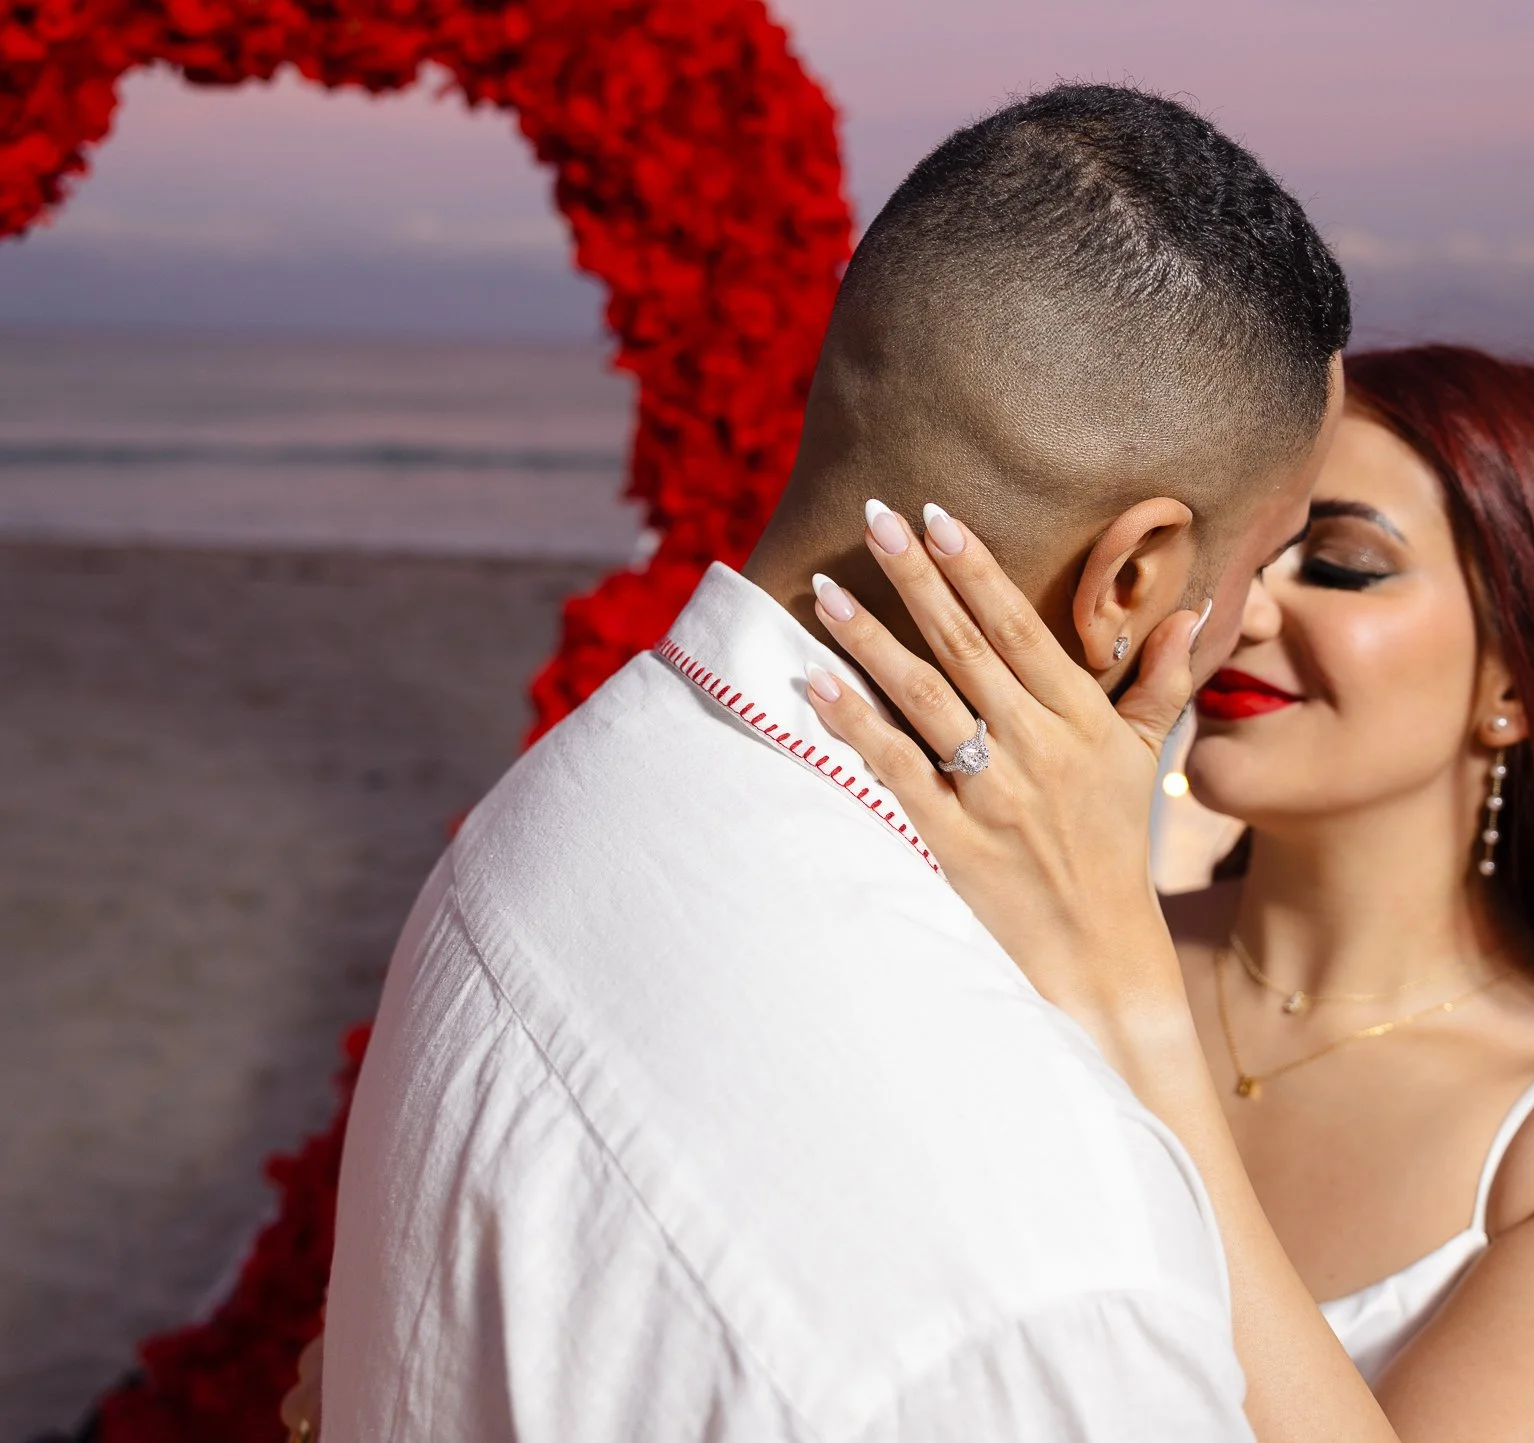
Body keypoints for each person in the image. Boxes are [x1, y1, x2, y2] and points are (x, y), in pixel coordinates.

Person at [317, 84, 1349, 1442]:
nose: (1250, 620)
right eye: (1256, 559)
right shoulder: (1046, 1279)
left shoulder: (578, 797)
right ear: (1134, 576)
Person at [803, 344, 1534, 1441]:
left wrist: (1131, 1013)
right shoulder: (1022, 943)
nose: (1245, 607)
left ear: (1519, 680)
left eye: (1337, 562)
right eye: (1249, 551)